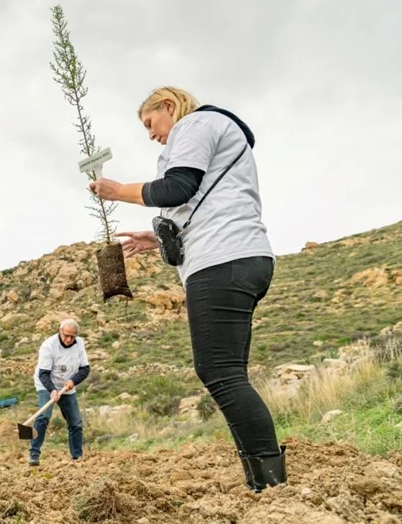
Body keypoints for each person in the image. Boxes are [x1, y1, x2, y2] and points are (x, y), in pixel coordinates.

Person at [89, 86, 284, 492]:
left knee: (219, 371)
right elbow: (201, 202)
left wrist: (117, 190)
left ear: (169, 105)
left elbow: (177, 187)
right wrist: (157, 237)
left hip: (222, 259)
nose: (151, 134)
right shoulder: (213, 131)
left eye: (150, 123)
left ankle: (271, 486)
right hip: (237, 257)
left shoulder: (195, 123)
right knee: (227, 372)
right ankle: (261, 482)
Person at [28, 319, 89, 466]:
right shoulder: (48, 346)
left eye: (72, 337)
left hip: (67, 385)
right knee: (43, 416)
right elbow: (43, 374)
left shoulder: (79, 343)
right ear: (59, 331)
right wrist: (52, 390)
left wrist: (73, 381)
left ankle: (77, 457)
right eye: (66, 335)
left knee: (76, 422)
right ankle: (34, 454)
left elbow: (85, 369)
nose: (69, 339)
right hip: (46, 383)